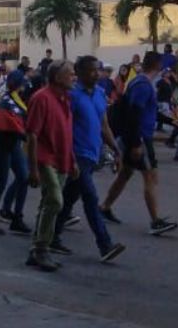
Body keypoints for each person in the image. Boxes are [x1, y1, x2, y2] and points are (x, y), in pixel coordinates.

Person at [50, 56, 126, 263]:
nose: (97, 74)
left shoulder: (101, 94)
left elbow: (104, 126)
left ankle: (51, 236)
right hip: (76, 154)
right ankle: (105, 244)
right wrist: (70, 156)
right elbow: (64, 127)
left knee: (68, 197)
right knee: (90, 197)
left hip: (92, 155)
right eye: (92, 70)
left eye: (98, 70)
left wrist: (116, 150)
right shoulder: (71, 95)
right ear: (80, 73)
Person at [100, 51, 178, 235]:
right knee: (150, 176)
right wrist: (135, 143)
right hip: (140, 137)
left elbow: (145, 111)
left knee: (125, 174)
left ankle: (104, 207)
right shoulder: (143, 85)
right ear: (158, 65)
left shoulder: (140, 83)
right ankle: (155, 221)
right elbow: (135, 113)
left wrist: (169, 121)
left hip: (137, 136)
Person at [25, 60, 78, 272]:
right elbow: (32, 135)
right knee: (55, 201)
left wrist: (72, 159)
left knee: (48, 203)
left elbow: (66, 132)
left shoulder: (65, 99)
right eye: (70, 74)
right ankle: (41, 247)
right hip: (45, 158)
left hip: (62, 159)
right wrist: (33, 169)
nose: (74, 77)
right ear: (57, 77)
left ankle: (37, 249)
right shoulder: (41, 98)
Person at [0, 71, 31, 235]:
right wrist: (27, 136)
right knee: (1, 183)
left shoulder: (16, 100)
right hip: (2, 145)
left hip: (13, 144)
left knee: (23, 177)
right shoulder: (6, 101)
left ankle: (17, 217)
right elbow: (10, 125)